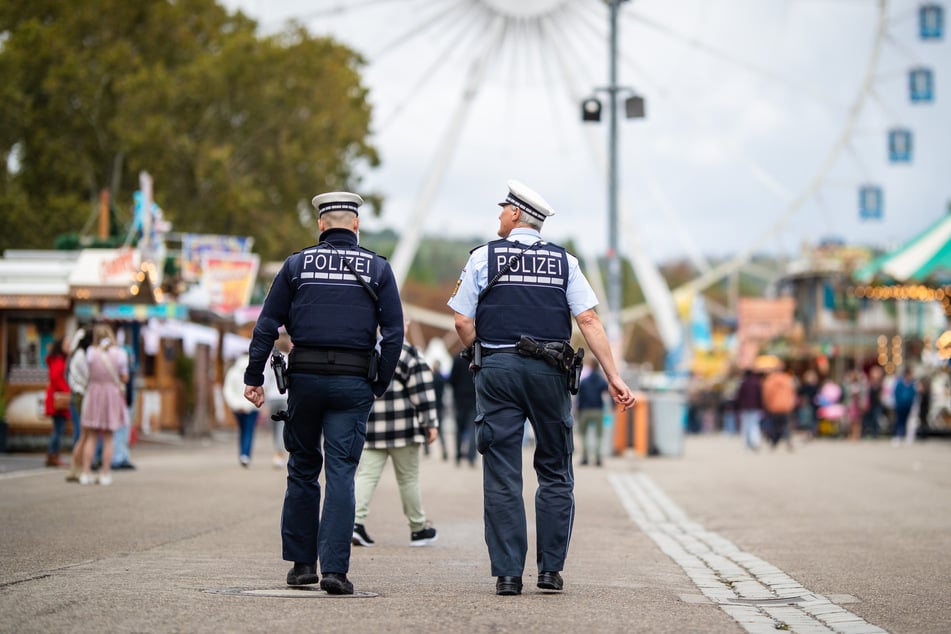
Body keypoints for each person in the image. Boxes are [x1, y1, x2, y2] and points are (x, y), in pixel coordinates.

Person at [447, 179, 636, 596]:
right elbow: (588, 321)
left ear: (515, 214)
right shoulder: (564, 262)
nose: (498, 215)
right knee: (554, 469)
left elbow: (462, 320)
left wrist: (481, 356)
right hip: (551, 372)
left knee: (502, 472)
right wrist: (614, 376)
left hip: (497, 370)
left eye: (502, 209)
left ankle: (508, 574)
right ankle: (550, 570)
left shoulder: (482, 257)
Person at [242, 190, 403, 595]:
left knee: (302, 468)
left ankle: (301, 566)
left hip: (305, 380)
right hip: (353, 383)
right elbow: (395, 334)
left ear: (320, 224)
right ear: (355, 224)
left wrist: (253, 376)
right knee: (342, 471)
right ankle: (334, 570)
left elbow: (267, 325)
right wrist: (379, 381)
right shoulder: (378, 270)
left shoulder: (296, 266)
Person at [352, 327, 439, 548]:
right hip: (404, 427)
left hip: (371, 425)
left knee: (366, 476)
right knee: (408, 478)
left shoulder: (364, 349)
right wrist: (430, 423)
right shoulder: (407, 351)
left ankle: (355, 523)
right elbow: (422, 389)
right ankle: (418, 529)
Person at [79, 324, 129, 486]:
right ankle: (105, 473)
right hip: (111, 395)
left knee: (91, 436)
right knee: (108, 438)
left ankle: (85, 473)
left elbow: (86, 373)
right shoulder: (120, 354)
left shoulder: (91, 353)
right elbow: (125, 377)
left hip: (94, 394)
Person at [65, 328, 92, 482]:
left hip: (78, 395)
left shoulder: (77, 355)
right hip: (80, 395)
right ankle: (75, 467)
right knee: (82, 434)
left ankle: (77, 467)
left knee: (82, 434)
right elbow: (88, 376)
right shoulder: (81, 357)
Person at [263, 331, 291, 468]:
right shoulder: (289, 357)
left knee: (274, 426)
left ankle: (277, 451)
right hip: (285, 396)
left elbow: (266, 380)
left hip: (272, 397)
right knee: (282, 425)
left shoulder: (270, 360)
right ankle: (279, 453)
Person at [225, 353, 258, 467]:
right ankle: (245, 455)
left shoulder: (233, 372)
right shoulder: (255, 371)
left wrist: (236, 405)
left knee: (242, 430)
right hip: (252, 407)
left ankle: (242, 453)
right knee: (249, 431)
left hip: (237, 407)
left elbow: (228, 390)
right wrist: (250, 405)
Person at [575, 358, 609, 466]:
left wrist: (578, 410)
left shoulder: (584, 381)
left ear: (590, 367)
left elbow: (579, 397)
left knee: (583, 434)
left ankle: (585, 458)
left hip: (585, 410)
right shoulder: (601, 380)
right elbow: (607, 390)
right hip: (597, 409)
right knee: (599, 435)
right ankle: (598, 457)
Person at [43, 336, 71, 468]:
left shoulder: (59, 359)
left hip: (55, 396)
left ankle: (53, 454)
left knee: (58, 428)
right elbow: (55, 378)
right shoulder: (59, 360)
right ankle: (53, 454)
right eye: (67, 343)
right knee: (58, 429)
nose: (69, 345)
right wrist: (67, 390)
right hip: (58, 397)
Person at [447, 350, 478, 467]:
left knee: (459, 429)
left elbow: (451, 380)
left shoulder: (457, 358)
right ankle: (471, 457)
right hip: (474, 399)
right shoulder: (477, 357)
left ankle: (458, 455)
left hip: (459, 400)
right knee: (473, 429)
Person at [761, 361, 796, 450]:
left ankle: (774, 442)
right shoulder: (787, 379)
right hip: (786, 406)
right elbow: (792, 393)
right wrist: (791, 403)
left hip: (774, 406)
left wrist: (767, 404)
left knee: (774, 425)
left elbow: (766, 394)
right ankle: (788, 441)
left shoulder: (770, 380)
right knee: (786, 425)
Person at [422, 358, 449, 461]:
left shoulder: (430, 378)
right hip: (440, 406)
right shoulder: (442, 379)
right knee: (440, 430)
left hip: (431, 406)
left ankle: (427, 449)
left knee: (427, 428)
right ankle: (444, 450)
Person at [735, 369, 763, 451]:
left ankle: (747, 444)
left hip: (745, 407)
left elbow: (739, 396)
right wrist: (761, 407)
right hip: (755, 407)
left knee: (746, 425)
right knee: (754, 425)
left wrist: (738, 406)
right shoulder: (757, 383)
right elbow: (760, 396)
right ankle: (756, 442)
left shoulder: (743, 383)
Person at [891, 366, 917, 446]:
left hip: (908, 405)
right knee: (899, 421)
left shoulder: (912, 383)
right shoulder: (899, 382)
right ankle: (896, 436)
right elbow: (896, 393)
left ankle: (906, 437)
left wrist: (911, 402)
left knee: (907, 421)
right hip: (900, 405)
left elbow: (913, 394)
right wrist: (898, 402)